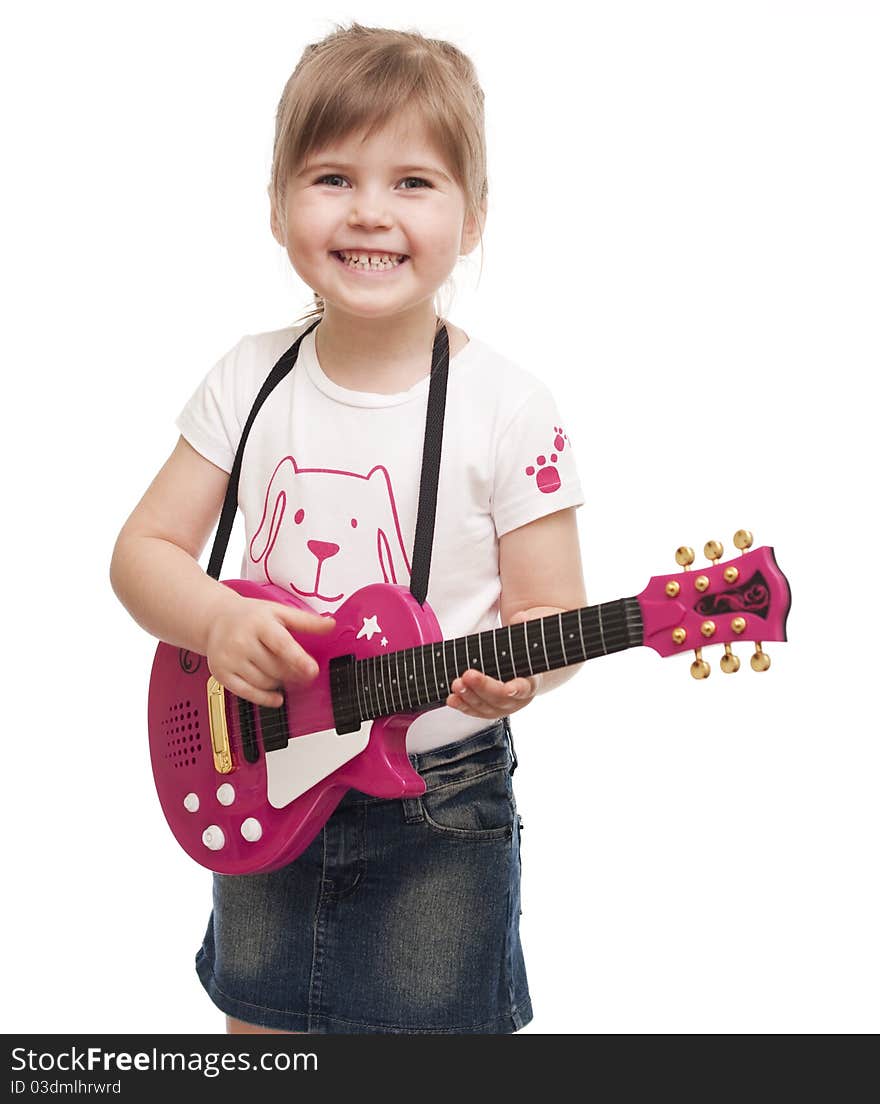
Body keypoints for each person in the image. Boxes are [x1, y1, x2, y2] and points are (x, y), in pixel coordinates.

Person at [110, 21, 588, 1035]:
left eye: (413, 182)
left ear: (475, 218)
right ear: (279, 203)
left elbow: (551, 607)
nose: (371, 211)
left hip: (437, 801)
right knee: (261, 1029)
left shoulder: (510, 407)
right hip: (264, 762)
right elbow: (141, 554)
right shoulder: (249, 377)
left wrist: (522, 676)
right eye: (333, 177)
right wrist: (211, 622)